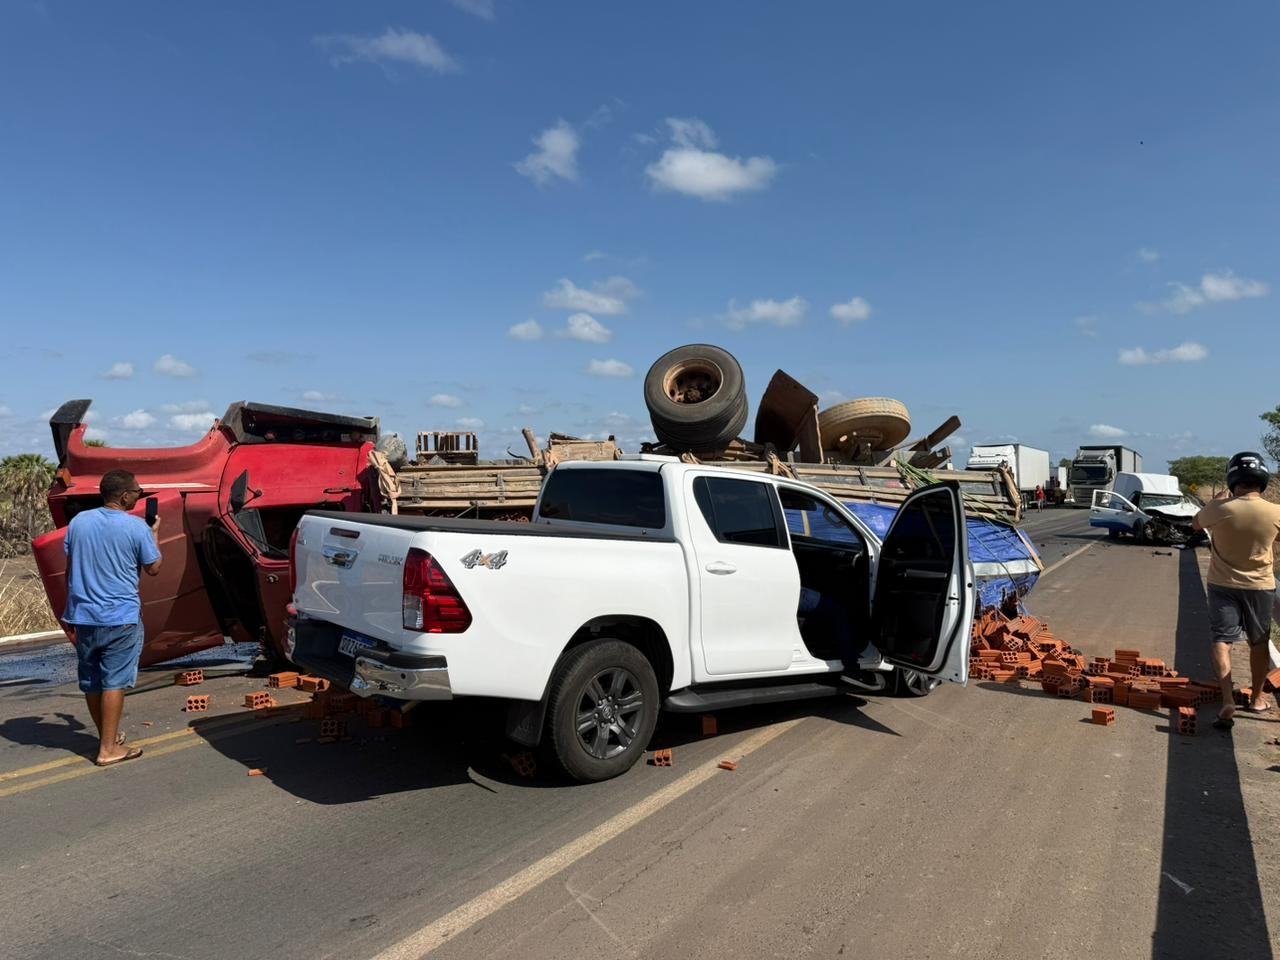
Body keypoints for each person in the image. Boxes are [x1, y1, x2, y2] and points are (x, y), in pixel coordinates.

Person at [63, 469, 162, 766]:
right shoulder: (136, 528)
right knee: (114, 681)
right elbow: (153, 568)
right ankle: (108, 750)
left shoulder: (78, 522)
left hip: (83, 615)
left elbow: (70, 567)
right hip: (119, 616)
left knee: (92, 680)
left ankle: (107, 736)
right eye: (137, 491)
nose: (139, 495)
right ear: (123, 496)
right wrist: (154, 536)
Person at [1192, 452, 1280, 727]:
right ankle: (1256, 699)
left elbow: (1196, 523)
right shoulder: (1276, 511)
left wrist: (1218, 501)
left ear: (1233, 479)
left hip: (1222, 584)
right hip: (1260, 585)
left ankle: (1228, 699)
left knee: (1222, 640)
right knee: (1258, 642)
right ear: (1262, 480)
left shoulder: (1220, 510)